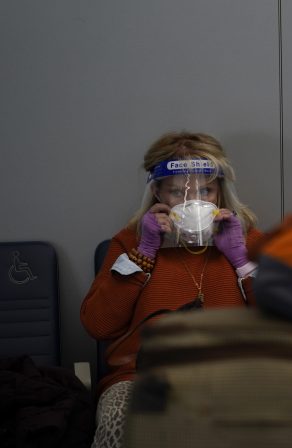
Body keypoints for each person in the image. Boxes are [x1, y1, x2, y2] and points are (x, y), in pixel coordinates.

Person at [80, 131, 263, 448]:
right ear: (158, 194)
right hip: (142, 379)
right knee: (122, 424)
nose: (194, 202)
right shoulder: (131, 242)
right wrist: (145, 253)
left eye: (206, 190)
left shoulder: (246, 240)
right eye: (178, 193)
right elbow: (98, 325)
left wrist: (242, 262)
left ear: (220, 192)